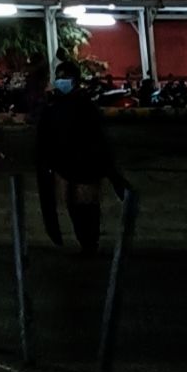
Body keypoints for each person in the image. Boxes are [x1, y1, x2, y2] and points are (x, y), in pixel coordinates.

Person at [35, 59, 128, 254]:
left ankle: (90, 243)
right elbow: (45, 138)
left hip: (87, 165)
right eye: (59, 78)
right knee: (72, 205)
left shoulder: (85, 106)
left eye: (65, 78)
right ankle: (84, 241)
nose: (61, 82)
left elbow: (99, 139)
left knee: (87, 205)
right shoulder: (52, 107)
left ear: (75, 81)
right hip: (64, 166)